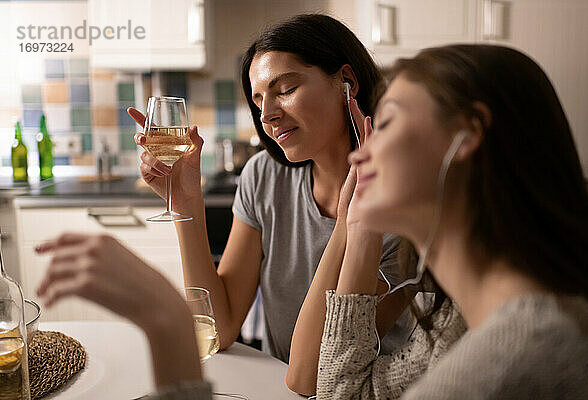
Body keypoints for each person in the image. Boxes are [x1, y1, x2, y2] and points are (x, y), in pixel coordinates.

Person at [37, 14, 418, 397]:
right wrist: (186, 204)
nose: (267, 114)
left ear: (346, 83)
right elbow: (221, 326)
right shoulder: (264, 175)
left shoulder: (403, 211)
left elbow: (318, 375)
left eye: (284, 89)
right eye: (257, 100)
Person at [315, 44, 588, 398]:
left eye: (386, 124)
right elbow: (348, 394)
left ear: (467, 132)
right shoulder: (457, 322)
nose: (359, 155)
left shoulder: (513, 357)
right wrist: (359, 229)